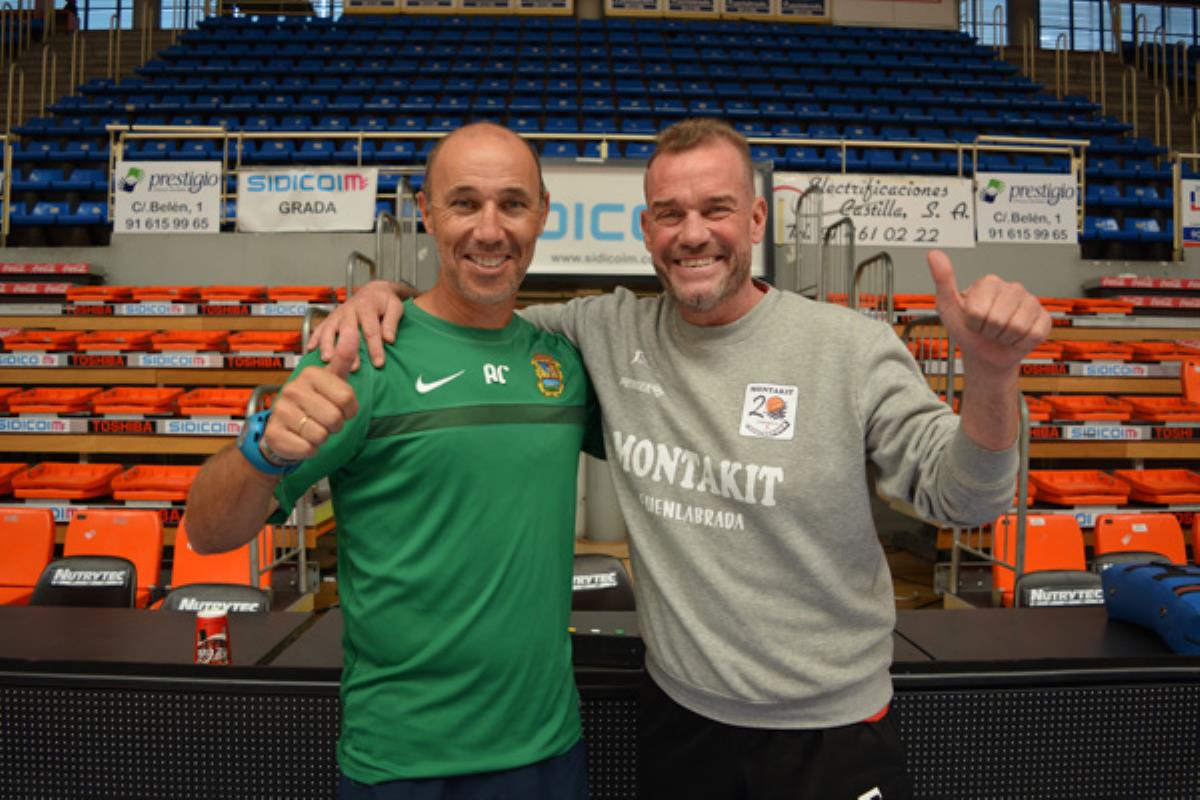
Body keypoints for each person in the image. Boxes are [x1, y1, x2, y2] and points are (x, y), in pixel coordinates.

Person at [313, 117, 1051, 800]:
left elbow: (968, 500)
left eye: (717, 210)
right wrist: (386, 298)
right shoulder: (603, 331)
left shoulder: (849, 348)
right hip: (681, 724)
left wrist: (990, 375)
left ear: (757, 220)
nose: (693, 234)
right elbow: (473, 318)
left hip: (830, 734)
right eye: (670, 214)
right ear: (646, 230)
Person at [185, 122, 600, 799]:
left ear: (544, 213)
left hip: (547, 751)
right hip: (401, 763)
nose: (490, 230)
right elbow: (209, 532)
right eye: (464, 203)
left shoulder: (561, 364)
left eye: (513, 204)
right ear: (426, 213)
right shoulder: (361, 356)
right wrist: (260, 450)